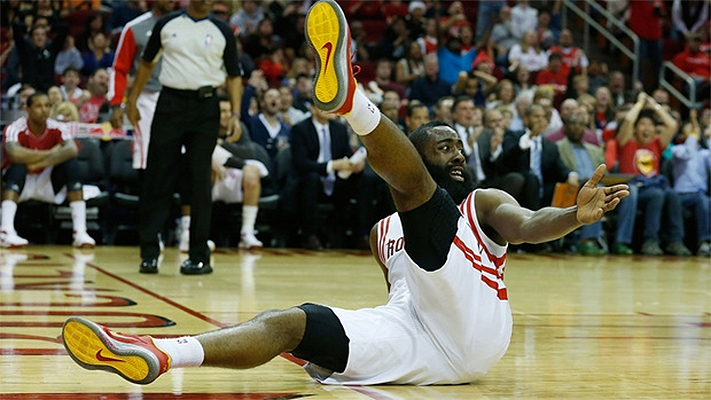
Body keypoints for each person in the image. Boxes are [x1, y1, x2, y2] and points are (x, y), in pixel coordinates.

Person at [61, 0, 630, 387]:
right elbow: (406, 297)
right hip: (417, 340)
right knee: (289, 323)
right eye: (444, 148)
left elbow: (529, 224)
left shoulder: (481, 204)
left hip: (476, 332)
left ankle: (352, 99)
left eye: (460, 147)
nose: (459, 155)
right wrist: (330, 345)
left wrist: (571, 217)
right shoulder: (384, 232)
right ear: (414, 152)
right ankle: (162, 353)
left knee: (420, 198)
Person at [126, 0, 244, 275]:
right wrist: (132, 100)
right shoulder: (167, 24)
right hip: (170, 104)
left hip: (206, 107)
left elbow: (234, 75)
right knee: (157, 177)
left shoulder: (223, 31)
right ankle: (149, 253)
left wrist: (236, 113)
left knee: (200, 179)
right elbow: (146, 63)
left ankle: (199, 256)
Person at [1, 92, 95, 248]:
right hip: (20, 180)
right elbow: (14, 154)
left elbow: (72, 150)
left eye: (47, 106)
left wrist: (36, 162)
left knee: (72, 165)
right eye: (39, 106)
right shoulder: (15, 127)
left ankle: (80, 232)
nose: (44, 110)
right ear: (27, 109)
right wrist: (51, 152)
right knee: (17, 167)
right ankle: (5, 232)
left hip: (46, 180)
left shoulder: (57, 127)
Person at [615, 93, 692, 256]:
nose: (647, 128)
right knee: (657, 194)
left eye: (650, 125)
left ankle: (675, 241)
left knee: (672, 194)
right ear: (635, 128)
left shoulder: (656, 143)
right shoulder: (627, 142)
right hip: (632, 188)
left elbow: (672, 124)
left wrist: (654, 105)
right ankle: (650, 240)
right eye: (643, 124)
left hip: (653, 187)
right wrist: (639, 104)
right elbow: (628, 120)